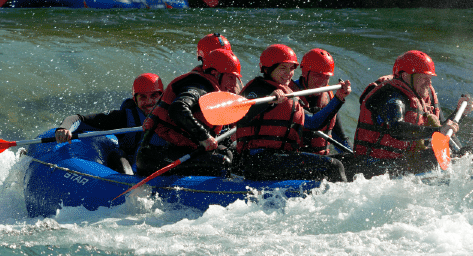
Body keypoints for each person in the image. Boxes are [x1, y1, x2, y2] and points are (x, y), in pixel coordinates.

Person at [235, 45, 350, 182]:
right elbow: (240, 117)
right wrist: (268, 101)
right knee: (334, 166)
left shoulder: (288, 93)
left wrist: (338, 98)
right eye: (283, 68)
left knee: (348, 162)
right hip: (257, 160)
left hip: (281, 158)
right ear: (268, 68)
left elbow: (313, 122)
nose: (288, 73)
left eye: (291, 69)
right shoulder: (257, 88)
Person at [349, 50, 471, 177]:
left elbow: (442, 129)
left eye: (430, 78)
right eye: (424, 78)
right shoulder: (392, 97)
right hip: (374, 165)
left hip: (404, 160)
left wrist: (460, 113)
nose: (429, 83)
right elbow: (397, 129)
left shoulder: (423, 95)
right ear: (406, 76)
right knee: (436, 159)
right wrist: (438, 131)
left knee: (466, 152)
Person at [135, 47, 241, 178]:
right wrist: (204, 137)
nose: (233, 84)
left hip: (176, 151)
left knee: (228, 154)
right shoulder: (198, 86)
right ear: (215, 74)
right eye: (230, 77)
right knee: (222, 163)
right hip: (153, 157)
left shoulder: (210, 88)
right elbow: (178, 108)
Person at [55, 73, 163, 172]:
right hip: (130, 167)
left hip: (159, 164)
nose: (149, 102)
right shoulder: (123, 118)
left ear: (162, 97)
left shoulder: (170, 116)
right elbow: (79, 119)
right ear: (135, 99)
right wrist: (64, 129)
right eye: (143, 97)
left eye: (154, 96)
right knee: (117, 154)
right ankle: (126, 183)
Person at [292, 48, 350, 156]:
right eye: (318, 75)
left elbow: (340, 138)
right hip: (295, 157)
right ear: (304, 72)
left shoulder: (329, 96)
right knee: (335, 164)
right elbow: (312, 123)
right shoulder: (290, 94)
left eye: (326, 77)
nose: (322, 81)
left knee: (352, 158)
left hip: (321, 159)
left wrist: (354, 156)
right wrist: (338, 99)